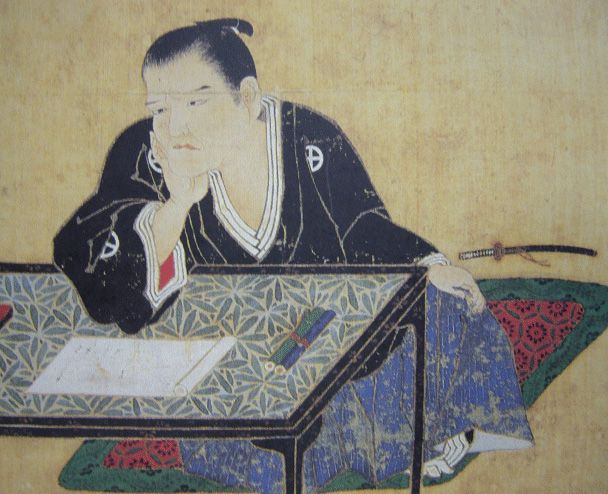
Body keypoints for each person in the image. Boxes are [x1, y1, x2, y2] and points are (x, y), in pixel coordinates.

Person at [54, 19, 532, 489]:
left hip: (330, 342)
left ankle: (406, 432)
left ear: (246, 97)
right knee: (258, 449)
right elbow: (97, 270)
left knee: (442, 303)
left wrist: (428, 264)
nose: (176, 125)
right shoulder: (148, 152)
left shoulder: (309, 137)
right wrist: (176, 205)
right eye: (160, 107)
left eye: (196, 101)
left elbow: (363, 228)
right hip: (231, 369)